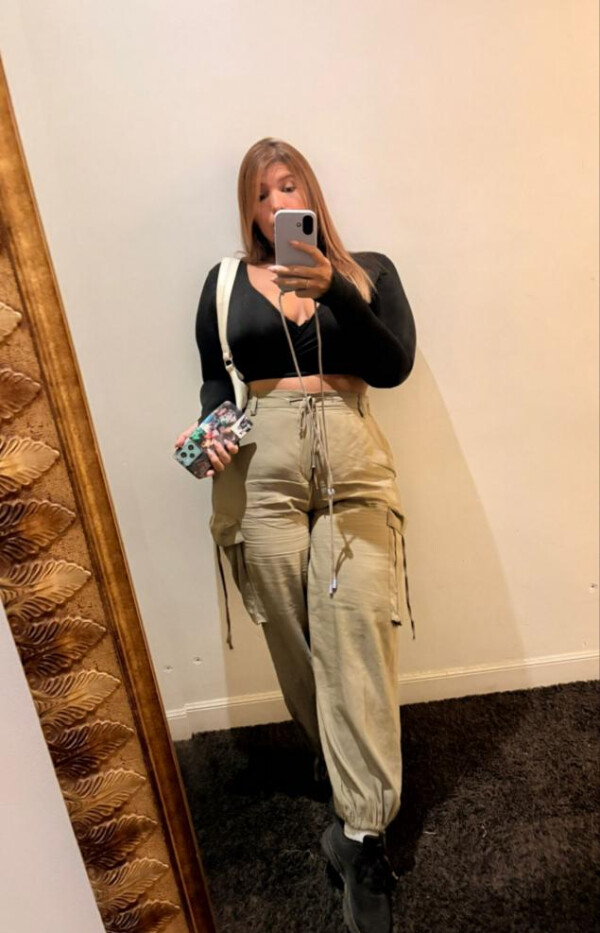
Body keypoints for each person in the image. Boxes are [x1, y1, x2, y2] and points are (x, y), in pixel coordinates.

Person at [176, 137, 417, 933]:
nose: (277, 201)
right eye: (261, 193)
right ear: (248, 211)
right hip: (262, 471)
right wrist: (207, 436)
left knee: (358, 627)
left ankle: (361, 832)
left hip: (353, 465)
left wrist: (335, 290)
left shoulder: (368, 271)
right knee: (293, 634)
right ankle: (339, 758)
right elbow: (217, 382)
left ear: (310, 190)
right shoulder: (221, 283)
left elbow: (394, 366)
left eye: (289, 184)